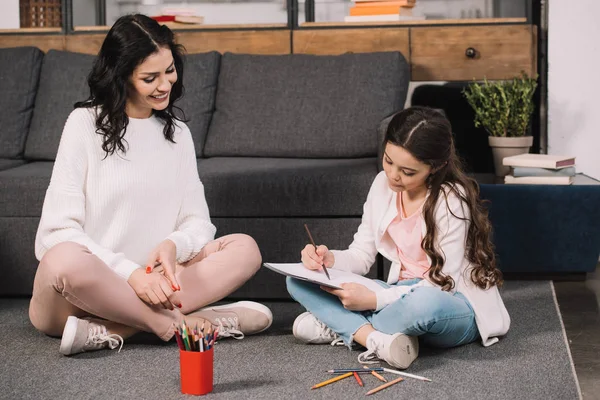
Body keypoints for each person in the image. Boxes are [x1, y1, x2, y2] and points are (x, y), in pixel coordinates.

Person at [28, 14, 272, 356]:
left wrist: (173, 244)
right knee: (61, 259)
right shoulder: (83, 124)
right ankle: (183, 325)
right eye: (149, 77)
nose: (164, 85)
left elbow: (198, 222)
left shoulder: (178, 135)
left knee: (245, 249)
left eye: (169, 71)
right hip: (78, 297)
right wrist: (131, 275)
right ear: (122, 76)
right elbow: (56, 232)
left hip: (157, 286)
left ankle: (115, 330)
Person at [287, 106, 510, 370]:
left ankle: (347, 327)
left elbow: (441, 284)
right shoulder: (382, 185)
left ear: (436, 166)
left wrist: (374, 300)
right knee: (298, 279)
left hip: (449, 300)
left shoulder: (451, 200)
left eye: (408, 171)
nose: (393, 175)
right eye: (389, 161)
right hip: (398, 294)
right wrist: (328, 259)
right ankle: (374, 337)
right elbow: (361, 255)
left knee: (422, 306)